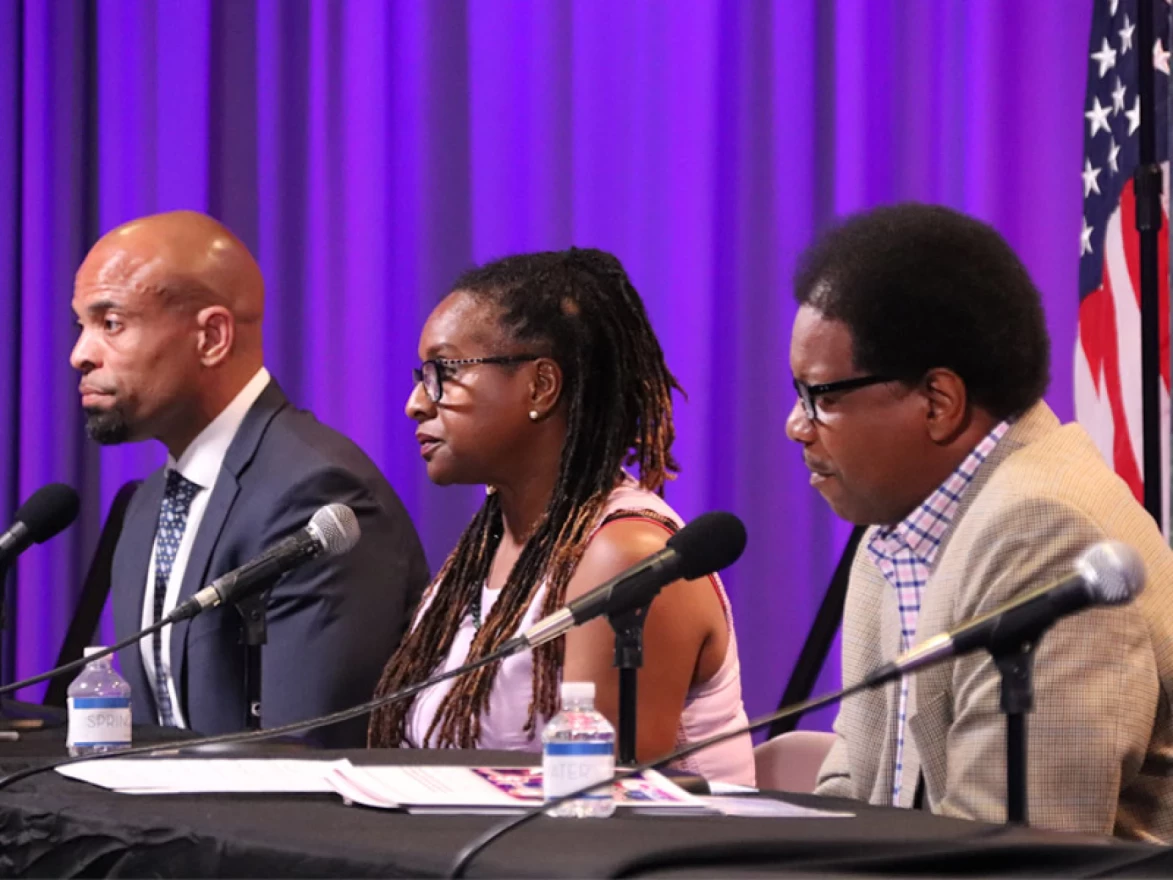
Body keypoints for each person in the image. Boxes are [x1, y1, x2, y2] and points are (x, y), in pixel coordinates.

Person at [787, 203, 1173, 840]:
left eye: (822, 396)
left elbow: (1027, 855)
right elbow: (850, 791)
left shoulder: (1045, 533)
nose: (796, 426)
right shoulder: (897, 530)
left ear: (938, 402)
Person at [367, 248, 754, 785]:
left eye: (442, 373)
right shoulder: (492, 542)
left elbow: (596, 813)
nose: (415, 402)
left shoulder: (625, 557)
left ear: (540, 387)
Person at [70, 211, 429, 747]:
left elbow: (304, 754)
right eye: (82, 325)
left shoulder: (316, 494)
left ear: (212, 337)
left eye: (111, 323)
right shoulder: (148, 505)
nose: (81, 354)